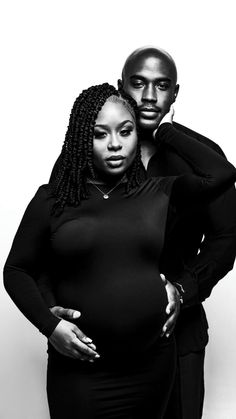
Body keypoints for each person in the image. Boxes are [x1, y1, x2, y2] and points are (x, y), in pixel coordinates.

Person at [4, 83, 236, 419]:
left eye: (126, 132)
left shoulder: (158, 192)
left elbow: (221, 173)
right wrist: (49, 326)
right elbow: (17, 270)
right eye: (100, 134)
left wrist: (163, 128)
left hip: (152, 366)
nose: (115, 144)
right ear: (84, 140)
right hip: (81, 369)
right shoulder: (53, 199)